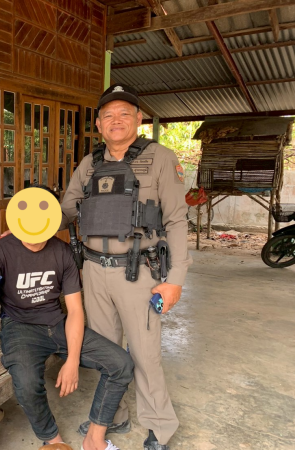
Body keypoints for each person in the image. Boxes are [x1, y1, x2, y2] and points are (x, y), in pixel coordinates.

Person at [0, 186, 134, 450]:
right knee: (28, 383)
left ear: (53, 219)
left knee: (121, 364)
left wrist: (72, 361)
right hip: (20, 327)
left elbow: (75, 310)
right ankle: (52, 440)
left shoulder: (63, 252)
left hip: (57, 323)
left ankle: (95, 438)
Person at [60, 84, 193, 450]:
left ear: (138, 118)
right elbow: (66, 210)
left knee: (145, 354)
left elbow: (177, 220)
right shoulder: (89, 164)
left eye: (124, 113)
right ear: (99, 124)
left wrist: (175, 280)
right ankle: (113, 416)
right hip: (93, 271)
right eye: (108, 115)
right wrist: (27, 226)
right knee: (107, 354)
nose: (115, 120)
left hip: (139, 272)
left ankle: (160, 427)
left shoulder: (161, 158)